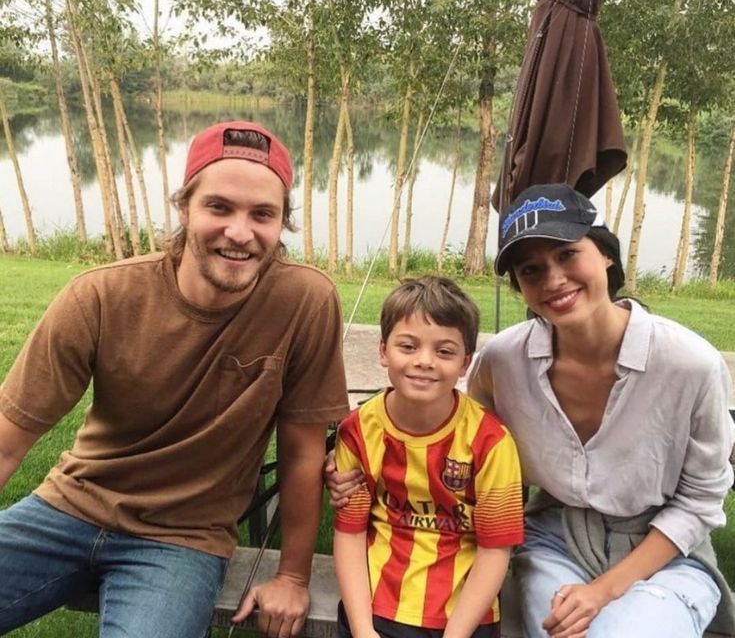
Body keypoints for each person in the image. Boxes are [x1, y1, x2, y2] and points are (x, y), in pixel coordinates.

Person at [328, 183, 735, 638]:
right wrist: (352, 458)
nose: (553, 279)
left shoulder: (690, 364)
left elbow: (701, 501)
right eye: (531, 269)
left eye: (567, 254)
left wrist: (603, 591)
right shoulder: (503, 361)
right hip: (554, 543)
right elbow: (450, 435)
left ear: (605, 254)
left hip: (664, 554)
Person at [0, 121, 350, 638]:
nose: (239, 232)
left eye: (262, 214)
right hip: (65, 509)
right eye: (219, 207)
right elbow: (8, 442)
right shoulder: (99, 297)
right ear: (184, 208)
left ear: (282, 223)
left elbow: (301, 454)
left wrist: (293, 575)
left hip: (182, 542)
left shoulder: (305, 302)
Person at [333, 276, 524, 638]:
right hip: (376, 608)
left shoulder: (491, 441)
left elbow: (495, 549)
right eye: (408, 346)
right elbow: (350, 534)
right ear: (383, 350)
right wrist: (362, 631)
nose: (424, 361)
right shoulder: (358, 430)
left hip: (464, 617)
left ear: (466, 363)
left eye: (444, 351)